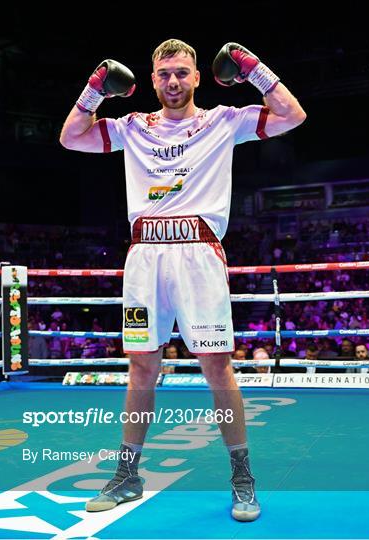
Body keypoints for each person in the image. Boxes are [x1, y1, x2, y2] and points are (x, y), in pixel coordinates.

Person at [60, 38, 306, 522]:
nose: (172, 81)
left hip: (199, 256)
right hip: (144, 259)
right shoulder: (131, 127)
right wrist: (94, 90)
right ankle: (127, 475)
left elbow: (292, 114)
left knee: (218, 370)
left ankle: (242, 479)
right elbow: (71, 136)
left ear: (196, 77)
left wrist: (253, 68)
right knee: (142, 369)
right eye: (164, 73)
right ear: (151, 80)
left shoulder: (223, 121)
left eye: (181, 72)